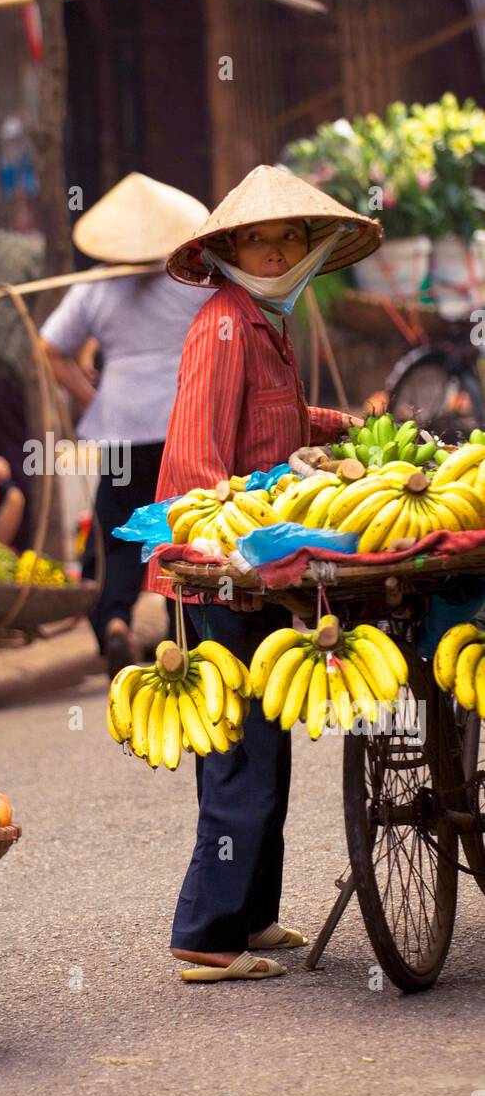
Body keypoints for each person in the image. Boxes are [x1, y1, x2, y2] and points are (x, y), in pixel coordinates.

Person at [145, 165, 383, 983]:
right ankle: (206, 934)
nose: (275, 250)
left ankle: (251, 917)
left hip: (261, 554)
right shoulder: (220, 326)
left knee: (262, 736)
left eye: (288, 237)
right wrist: (224, 548)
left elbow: (277, 423)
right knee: (239, 745)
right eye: (258, 238)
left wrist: (349, 430)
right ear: (227, 250)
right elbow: (198, 458)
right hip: (226, 561)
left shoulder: (264, 323)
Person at [39, 173, 211, 678]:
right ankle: (186, 629)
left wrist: (93, 396)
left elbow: (52, 348)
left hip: (121, 429)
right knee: (184, 524)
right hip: (181, 421)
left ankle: (114, 623)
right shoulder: (194, 281)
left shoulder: (96, 286)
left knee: (118, 532)